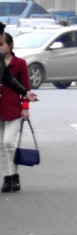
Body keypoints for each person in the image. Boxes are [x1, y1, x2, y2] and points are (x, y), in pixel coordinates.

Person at [1, 32, 37, 193]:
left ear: (10, 45)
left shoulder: (20, 63)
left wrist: (25, 107)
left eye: (2, 44)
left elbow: (25, 87)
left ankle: (14, 175)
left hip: (13, 108)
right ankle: (7, 178)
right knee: (0, 145)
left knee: (9, 142)